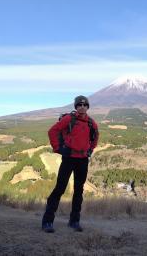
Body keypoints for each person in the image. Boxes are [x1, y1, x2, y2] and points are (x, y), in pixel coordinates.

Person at [41, 95, 99, 233]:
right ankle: (47, 221)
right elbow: (52, 131)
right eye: (79, 105)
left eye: (85, 105)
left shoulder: (91, 123)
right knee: (60, 189)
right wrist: (58, 148)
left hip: (82, 160)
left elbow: (96, 136)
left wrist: (90, 150)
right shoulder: (69, 119)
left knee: (79, 191)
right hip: (69, 159)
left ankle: (74, 221)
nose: (82, 107)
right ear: (76, 106)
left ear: (88, 107)